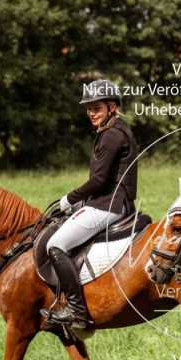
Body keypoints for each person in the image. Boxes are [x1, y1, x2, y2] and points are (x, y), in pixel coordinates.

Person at [42, 79, 139, 331]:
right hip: (110, 201)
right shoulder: (113, 131)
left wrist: (69, 199)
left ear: (112, 107)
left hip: (110, 206)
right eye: (89, 109)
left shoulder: (113, 135)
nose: (91, 114)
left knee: (55, 245)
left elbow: (98, 180)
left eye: (96, 108)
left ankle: (77, 312)